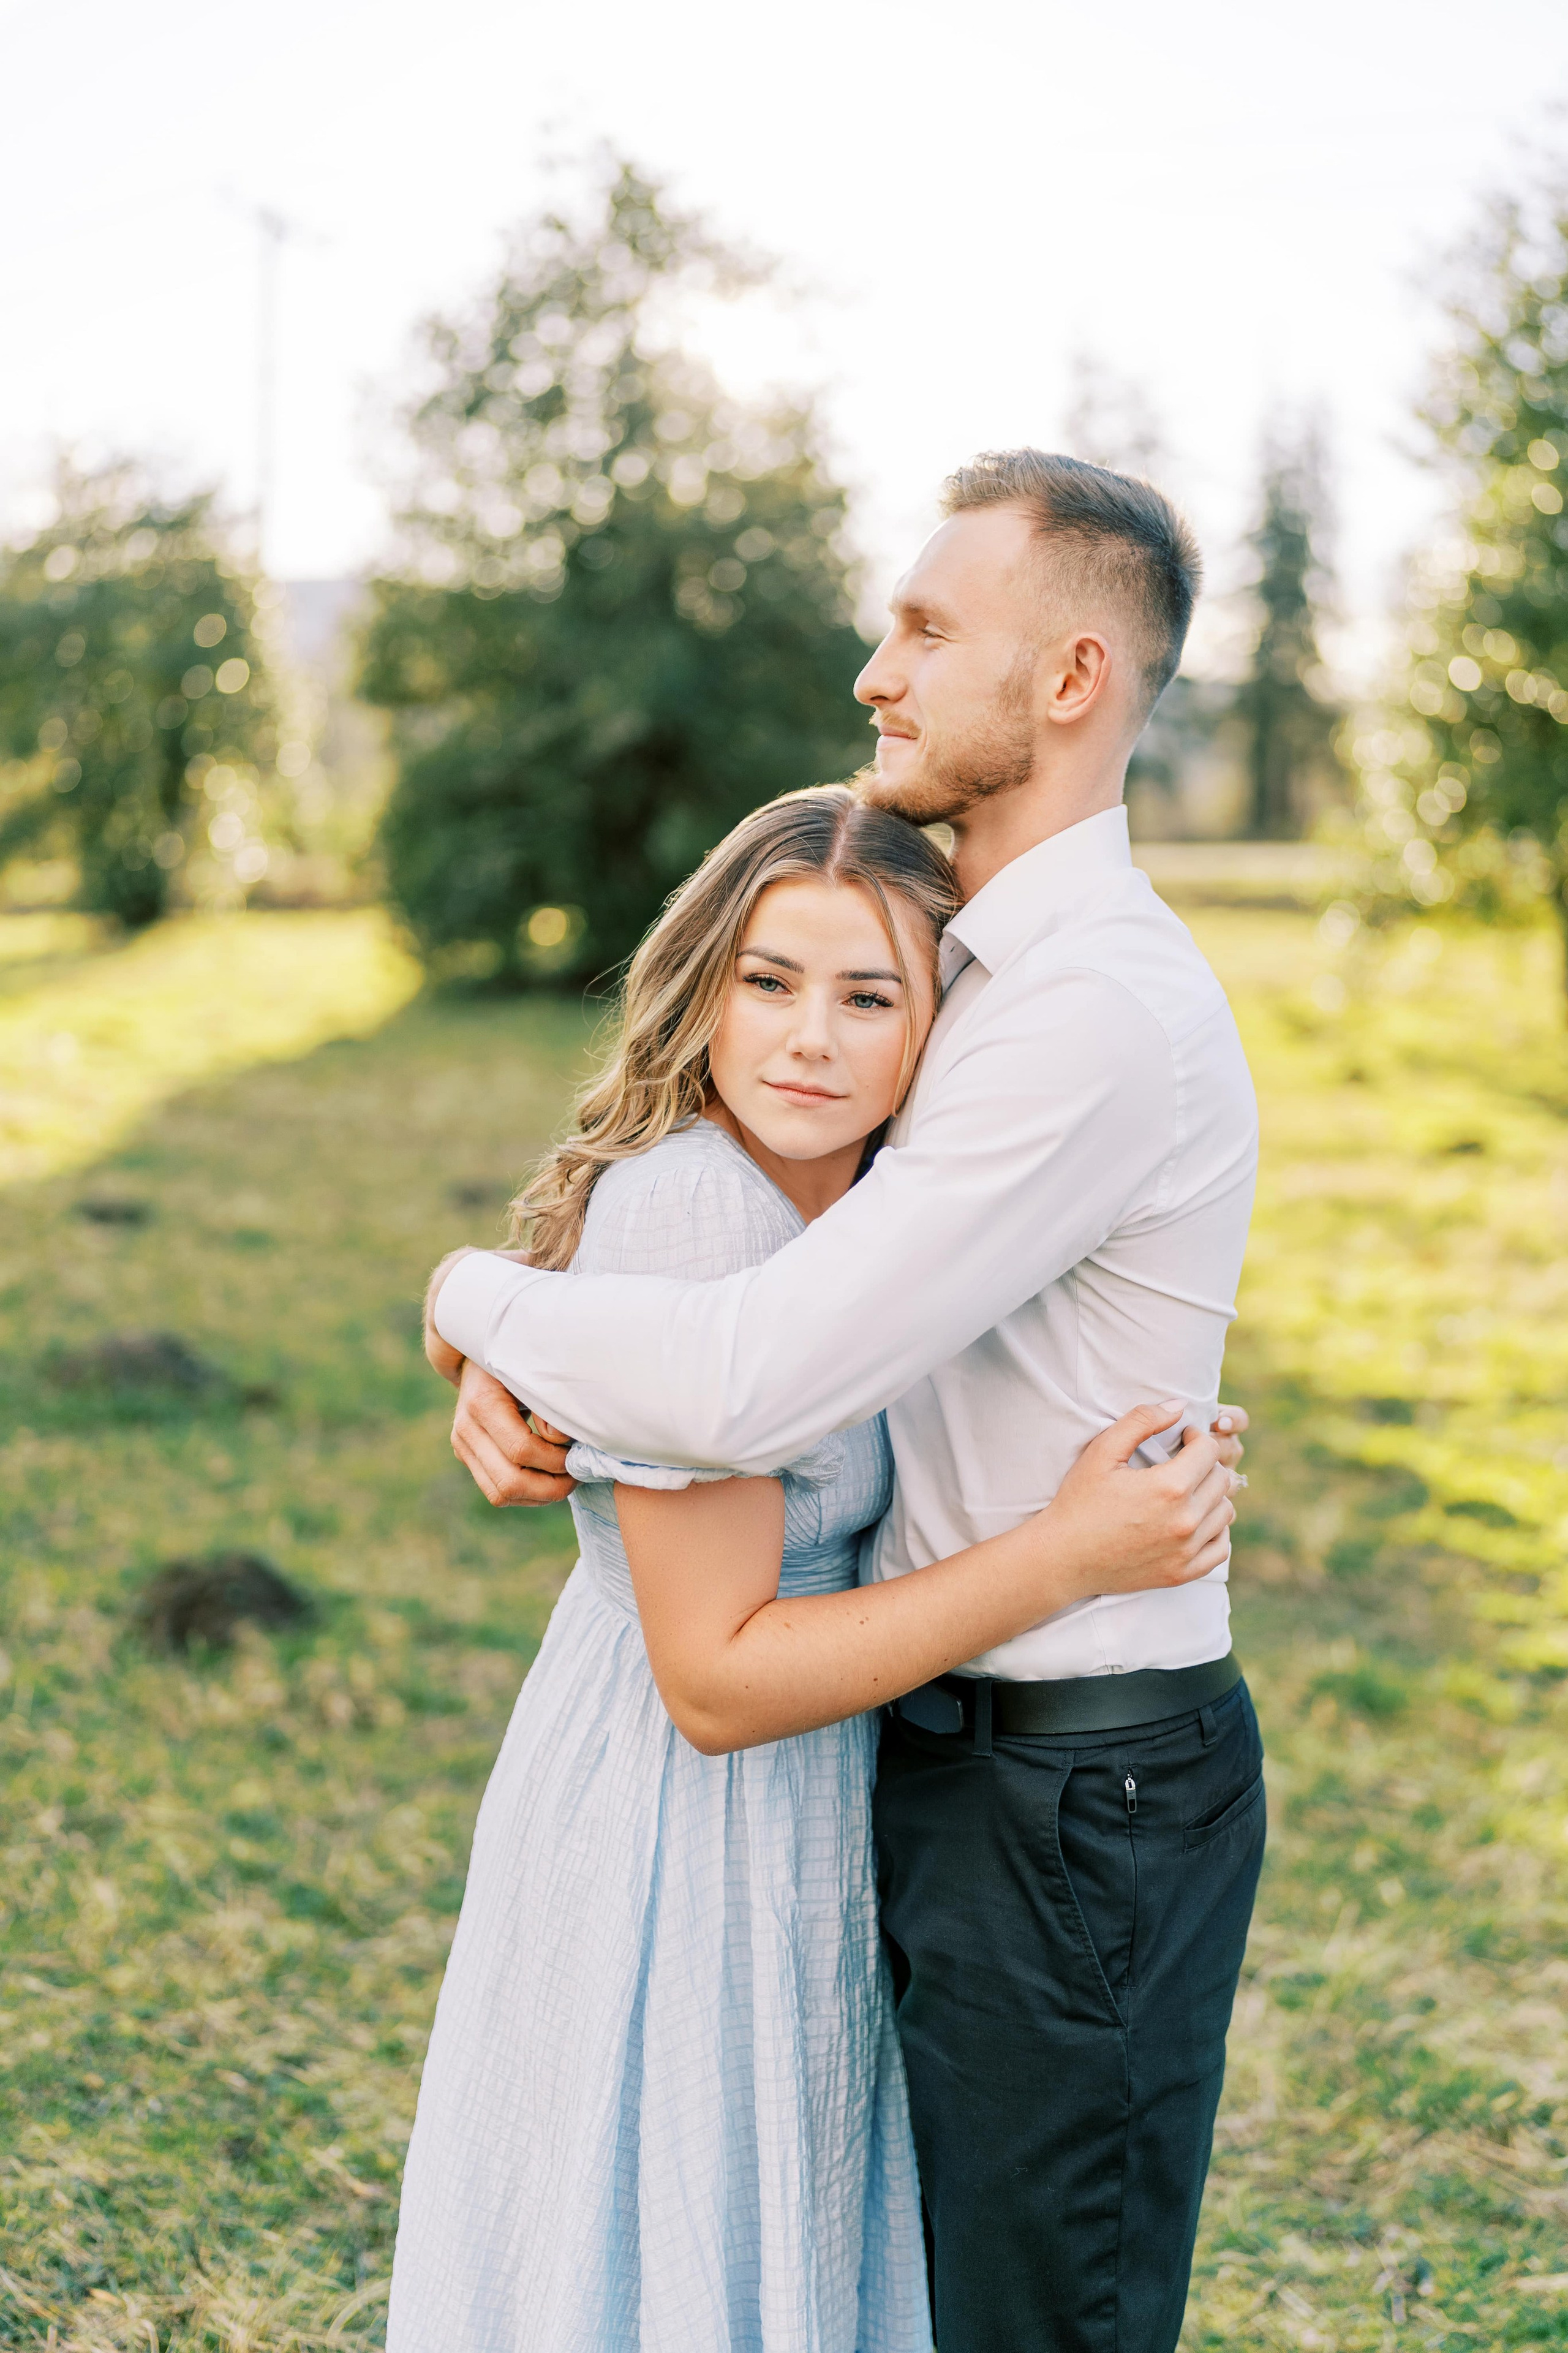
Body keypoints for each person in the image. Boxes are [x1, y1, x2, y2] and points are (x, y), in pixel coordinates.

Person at [429, 450, 1265, 2353]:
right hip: (920, 1761)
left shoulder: (1071, 1010)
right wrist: (508, 1329)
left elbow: (754, 1375)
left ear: (1067, 681)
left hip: (1076, 1779)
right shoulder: (958, 976)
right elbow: (722, 1283)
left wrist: (471, 1289)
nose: (875, 672)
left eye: (923, 627)